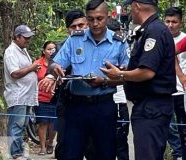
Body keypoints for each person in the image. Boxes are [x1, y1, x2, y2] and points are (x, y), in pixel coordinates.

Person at [41, 0, 129, 159]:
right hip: (76, 107)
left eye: (100, 18)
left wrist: (104, 81)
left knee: (104, 153)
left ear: (107, 16)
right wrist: (54, 70)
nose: (95, 23)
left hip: (104, 106)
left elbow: (127, 77)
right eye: (90, 19)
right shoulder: (75, 40)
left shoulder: (119, 43)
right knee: (70, 153)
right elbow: (55, 63)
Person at [101, 0, 176, 159]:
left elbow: (147, 72)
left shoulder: (154, 31)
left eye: (129, 7)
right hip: (147, 106)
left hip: (152, 108)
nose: (129, 12)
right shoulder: (148, 30)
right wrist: (110, 79)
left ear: (137, 6)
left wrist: (120, 74)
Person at [49, 9, 88, 159]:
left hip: (94, 104)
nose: (78, 29)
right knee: (66, 147)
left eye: (81, 25)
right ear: (68, 29)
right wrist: (53, 74)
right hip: (67, 102)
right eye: (73, 26)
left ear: (87, 25)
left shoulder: (97, 44)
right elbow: (52, 65)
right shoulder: (60, 48)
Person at [3, 24, 39, 160]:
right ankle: (15, 154)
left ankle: (20, 152)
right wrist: (32, 67)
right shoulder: (11, 51)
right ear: (17, 37)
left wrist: (33, 68)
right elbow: (15, 74)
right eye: (26, 38)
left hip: (26, 95)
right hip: (18, 95)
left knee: (23, 125)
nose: (28, 40)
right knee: (16, 125)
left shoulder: (22, 50)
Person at [164, 6, 186, 160]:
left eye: (174, 22)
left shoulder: (184, 39)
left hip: (183, 91)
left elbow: (172, 54)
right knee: (169, 127)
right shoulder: (160, 37)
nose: (170, 25)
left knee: (183, 127)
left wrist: (183, 78)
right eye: (167, 21)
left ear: (181, 23)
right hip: (166, 91)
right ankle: (177, 154)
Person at [107, 18, 130, 160]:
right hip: (102, 100)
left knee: (121, 140)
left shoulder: (122, 45)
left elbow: (127, 68)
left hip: (119, 100)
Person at [34, 41, 57, 156]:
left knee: (53, 123)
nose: (51, 51)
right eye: (49, 49)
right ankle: (42, 147)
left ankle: (50, 142)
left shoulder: (59, 63)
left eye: (53, 49)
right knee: (42, 123)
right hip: (41, 97)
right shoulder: (37, 63)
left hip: (55, 97)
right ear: (44, 51)